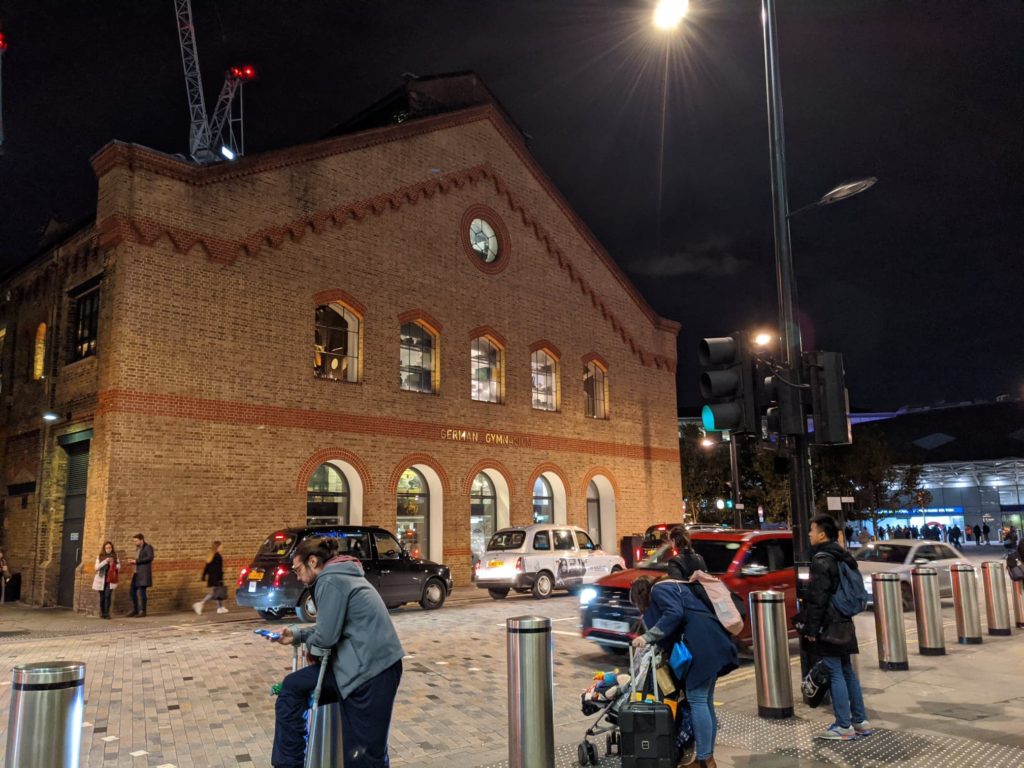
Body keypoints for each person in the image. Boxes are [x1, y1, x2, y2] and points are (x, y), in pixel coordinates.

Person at [270, 537, 403, 768]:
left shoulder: (330, 580)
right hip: (357, 666)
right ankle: (288, 764)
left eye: (298, 569)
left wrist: (310, 642)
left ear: (313, 562)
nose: (298, 577)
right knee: (292, 688)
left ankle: (289, 763)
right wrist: (299, 635)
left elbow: (326, 638)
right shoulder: (339, 575)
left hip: (371, 671)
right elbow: (330, 627)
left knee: (365, 754)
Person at [630, 568, 738, 768]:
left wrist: (647, 637)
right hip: (712, 640)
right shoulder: (674, 586)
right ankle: (706, 758)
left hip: (700, 646)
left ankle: (704, 759)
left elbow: (674, 613)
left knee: (698, 700)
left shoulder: (658, 591)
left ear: (640, 596)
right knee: (704, 701)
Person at [800, 514, 869, 740]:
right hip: (844, 620)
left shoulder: (821, 560)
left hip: (829, 622)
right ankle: (860, 721)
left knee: (834, 672)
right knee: (847, 670)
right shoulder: (842, 556)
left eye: (812, 530)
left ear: (822, 534)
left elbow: (818, 598)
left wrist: (811, 629)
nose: (809, 534)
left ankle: (843, 725)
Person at [194, 540, 228, 615]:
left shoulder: (211, 555)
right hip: (216, 577)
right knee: (214, 593)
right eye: (221, 546)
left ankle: (220, 607)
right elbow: (218, 569)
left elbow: (207, 567)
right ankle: (200, 603)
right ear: (218, 547)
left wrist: (203, 575)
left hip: (212, 577)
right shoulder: (217, 556)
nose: (222, 547)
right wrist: (220, 578)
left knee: (217, 592)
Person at [127, 533, 155, 617]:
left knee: (142, 592)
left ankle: (143, 611)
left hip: (143, 573)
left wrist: (136, 561)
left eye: (136, 541)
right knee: (132, 591)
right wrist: (133, 561)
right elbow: (138, 559)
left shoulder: (148, 547)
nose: (135, 542)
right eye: (134, 541)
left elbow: (150, 558)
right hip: (136, 573)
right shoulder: (138, 548)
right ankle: (136, 609)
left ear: (141, 540)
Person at [92, 541, 120, 619]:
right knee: (102, 597)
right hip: (101, 579)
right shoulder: (100, 556)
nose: (109, 549)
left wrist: (113, 564)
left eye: (110, 547)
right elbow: (96, 567)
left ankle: (107, 613)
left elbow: (119, 566)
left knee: (108, 596)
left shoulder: (115, 556)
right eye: (107, 548)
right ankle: (102, 613)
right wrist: (105, 561)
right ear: (104, 548)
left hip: (110, 579)